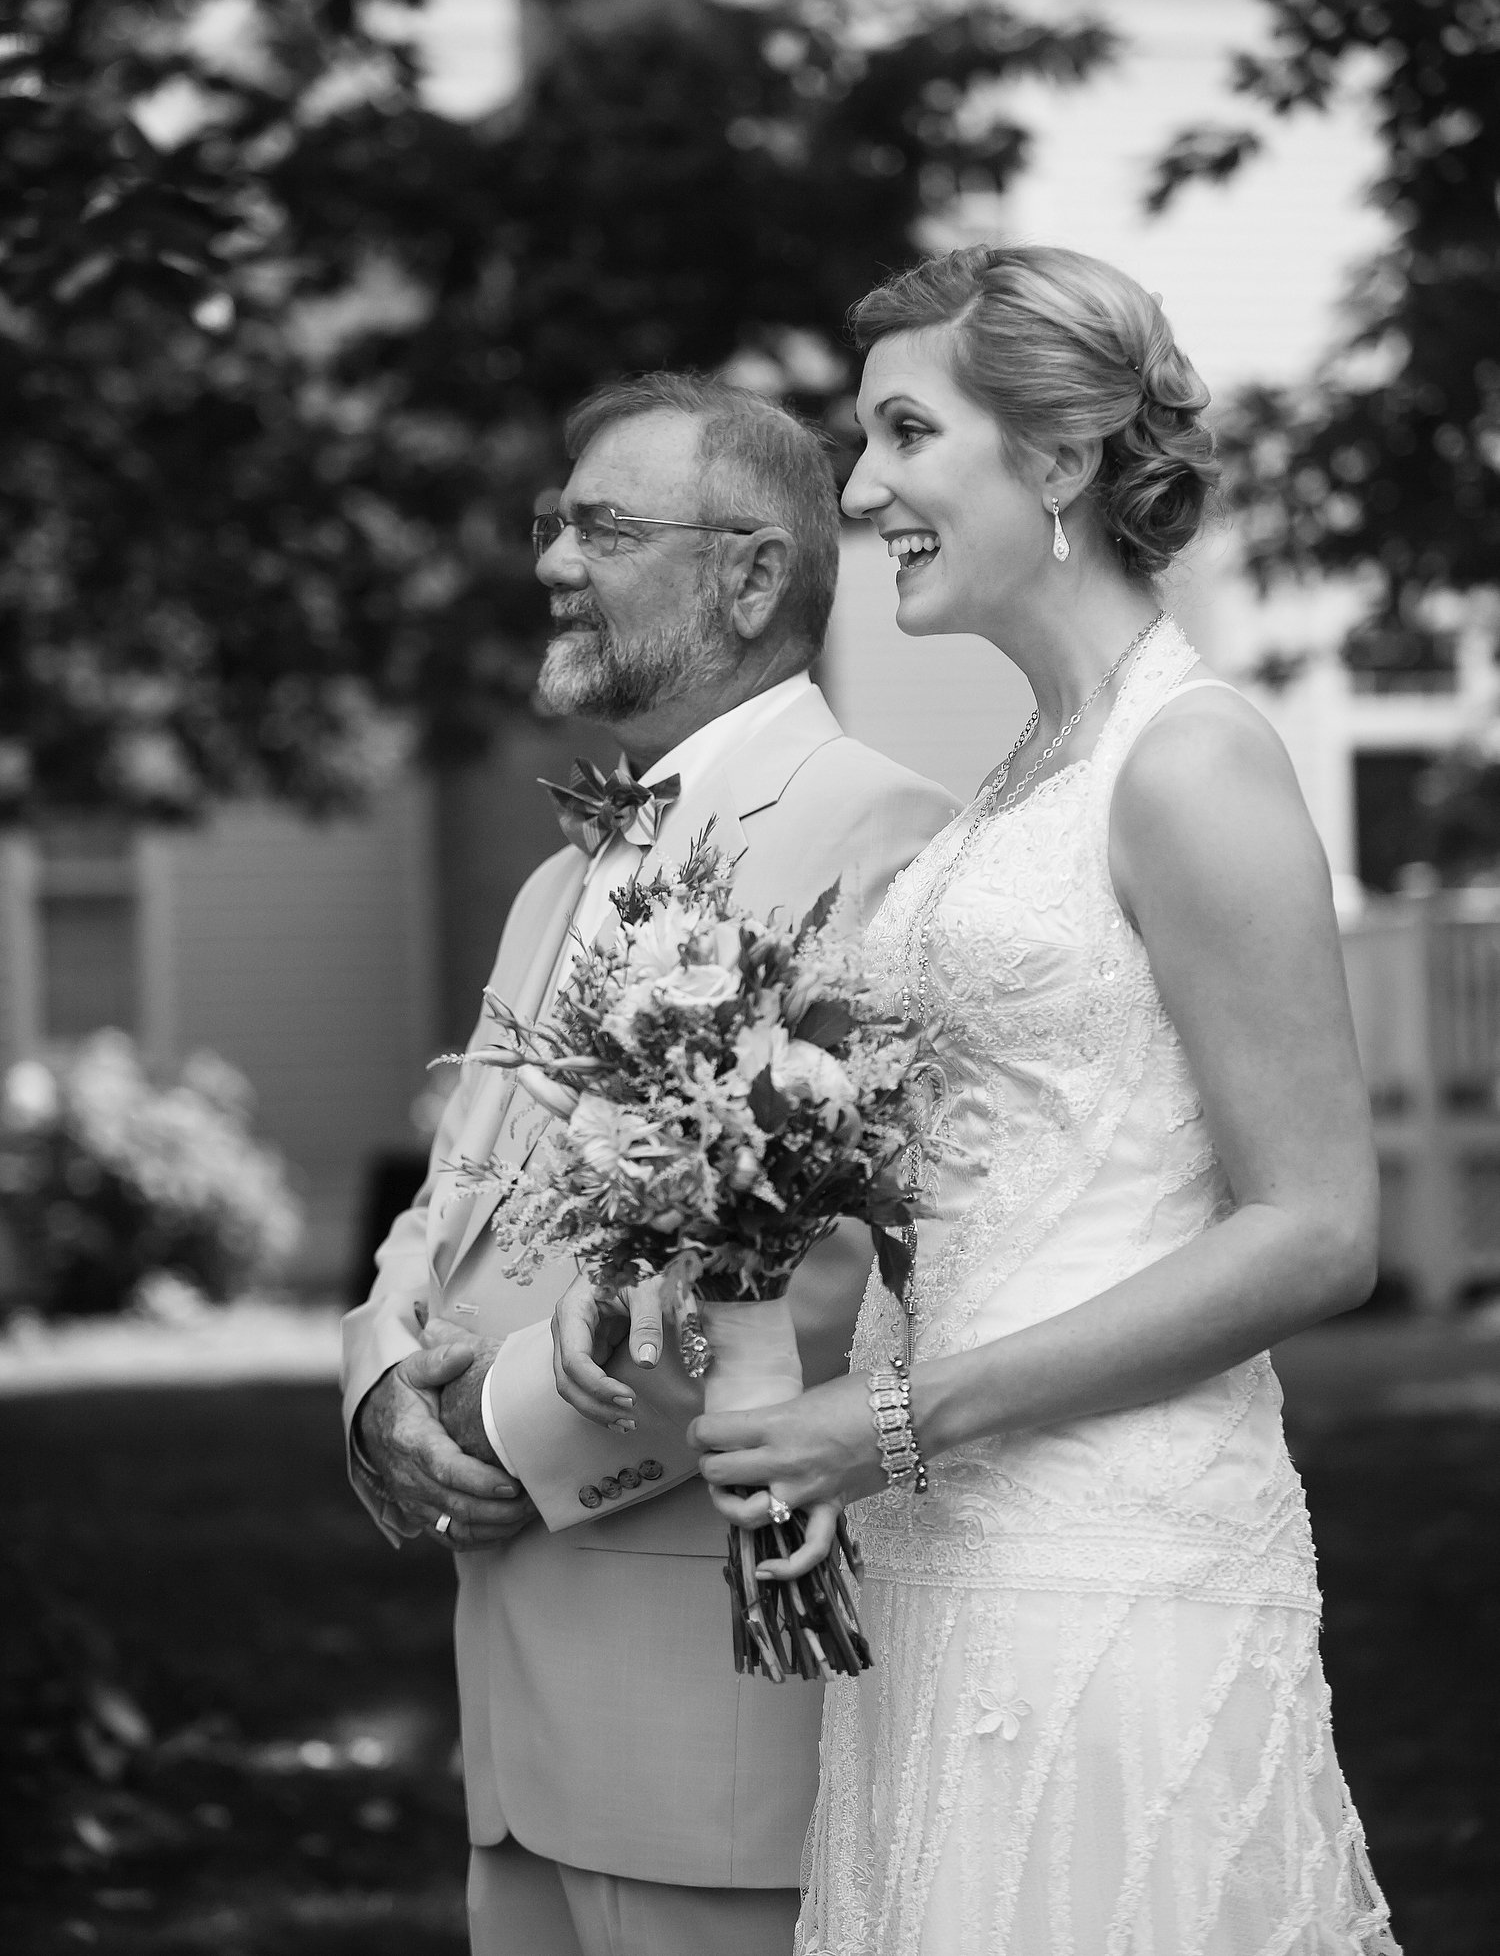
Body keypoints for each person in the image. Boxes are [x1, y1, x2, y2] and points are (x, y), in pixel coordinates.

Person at [682, 248, 1401, 1953]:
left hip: (1105, 1558)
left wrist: (904, 1419)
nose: (862, 492)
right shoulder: (1017, 776)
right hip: (938, 1553)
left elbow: (1319, 1228)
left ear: (1061, 462)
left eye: (908, 434)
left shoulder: (1194, 759)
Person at [340, 371, 955, 1956]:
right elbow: (449, 1194)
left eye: (602, 527)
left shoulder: (877, 834)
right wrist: (377, 1393)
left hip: (708, 1729)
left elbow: (823, 1274)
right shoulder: (559, 880)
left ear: (752, 572)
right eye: (555, 521)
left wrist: (505, 1442)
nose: (551, 558)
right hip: (515, 1728)